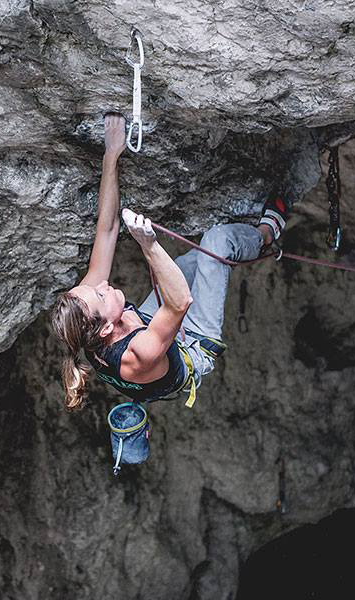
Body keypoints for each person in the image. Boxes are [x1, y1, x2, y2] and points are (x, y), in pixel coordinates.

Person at [51, 113, 288, 410]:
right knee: (216, 244)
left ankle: (241, 245)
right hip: (194, 346)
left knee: (199, 262)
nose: (103, 285)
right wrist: (148, 245)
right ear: (105, 330)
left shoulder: (85, 312)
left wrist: (111, 155)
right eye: (101, 294)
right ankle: (267, 234)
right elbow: (179, 302)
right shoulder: (137, 356)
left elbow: (108, 228)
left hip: (154, 323)